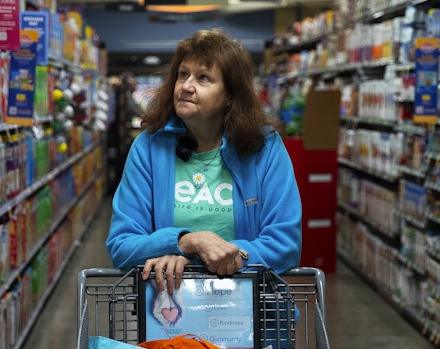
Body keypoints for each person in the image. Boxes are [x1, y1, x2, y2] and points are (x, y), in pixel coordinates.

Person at [106, 29, 302, 294]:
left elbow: (285, 243)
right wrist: (186, 242)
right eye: (183, 74)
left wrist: (200, 259)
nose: (186, 86)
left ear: (230, 96)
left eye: (203, 78)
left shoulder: (264, 148)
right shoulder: (150, 147)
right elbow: (122, 243)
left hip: (253, 312)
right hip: (168, 313)